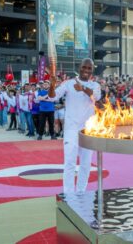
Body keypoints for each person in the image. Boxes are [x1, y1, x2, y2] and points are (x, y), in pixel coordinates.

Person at [48, 58, 101, 194]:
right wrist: (52, 86)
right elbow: (52, 97)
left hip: (88, 130)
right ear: (79, 67)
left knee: (85, 164)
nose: (86, 70)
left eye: (89, 68)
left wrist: (83, 88)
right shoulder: (68, 83)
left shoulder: (95, 85)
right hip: (71, 129)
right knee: (70, 163)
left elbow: (96, 97)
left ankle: (81, 192)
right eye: (84, 67)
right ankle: (68, 194)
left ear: (92, 71)